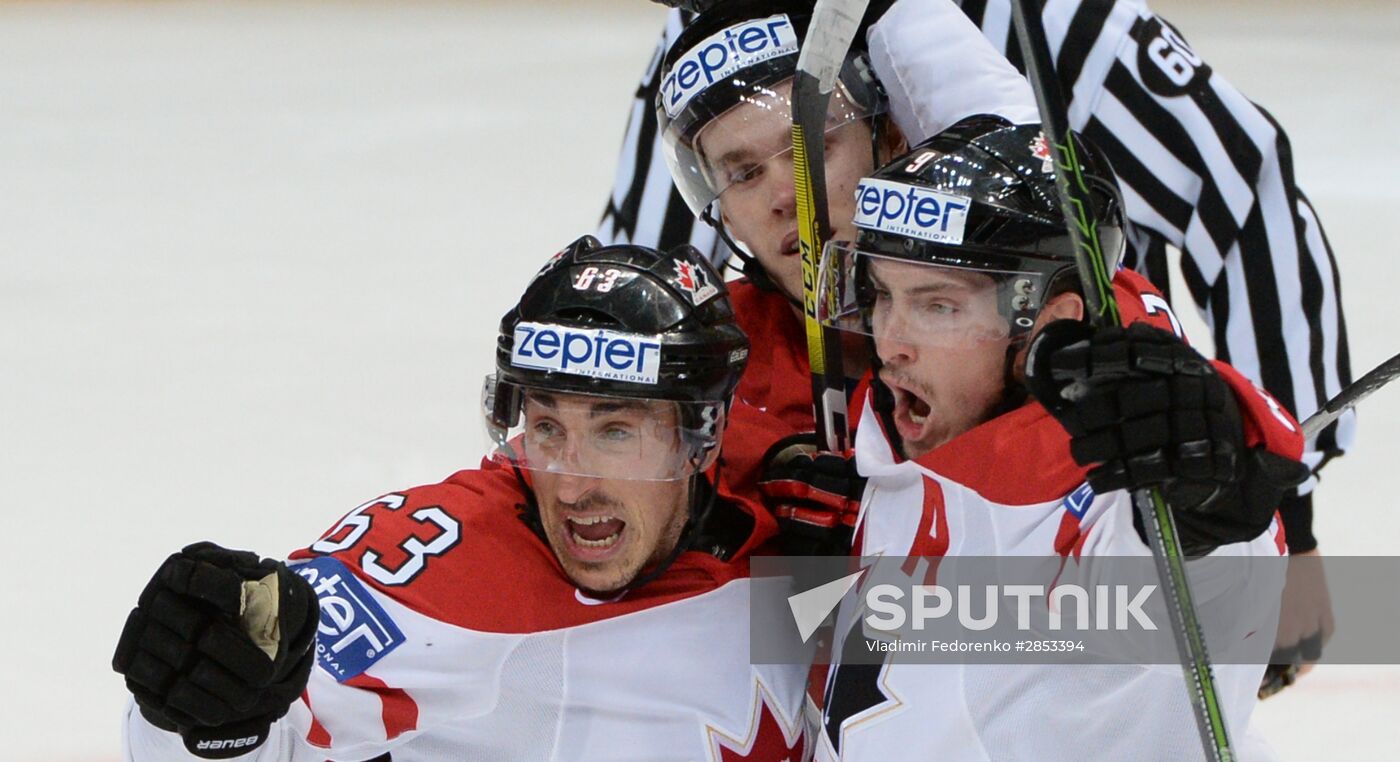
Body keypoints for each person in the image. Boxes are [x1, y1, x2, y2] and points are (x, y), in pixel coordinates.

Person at [609, 0, 1347, 680]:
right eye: (740, 174)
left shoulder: (1048, 344)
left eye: (816, 144)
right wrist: (773, 579)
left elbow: (1130, 622)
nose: (783, 195)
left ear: (890, 133)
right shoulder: (733, 375)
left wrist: (1249, 516)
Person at [112, 237, 809, 760]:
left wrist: (882, 548)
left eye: (615, 431)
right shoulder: (452, 566)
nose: (569, 482)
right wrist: (207, 720)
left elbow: (907, 683)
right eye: (545, 427)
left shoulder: (790, 538)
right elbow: (273, 726)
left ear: (701, 438)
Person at [811, 118, 1307, 759]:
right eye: (881, 296)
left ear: (1052, 323)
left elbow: (1190, 589)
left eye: (938, 307)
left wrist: (1206, 500)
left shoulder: (1104, 513)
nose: (891, 344)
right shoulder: (899, 439)